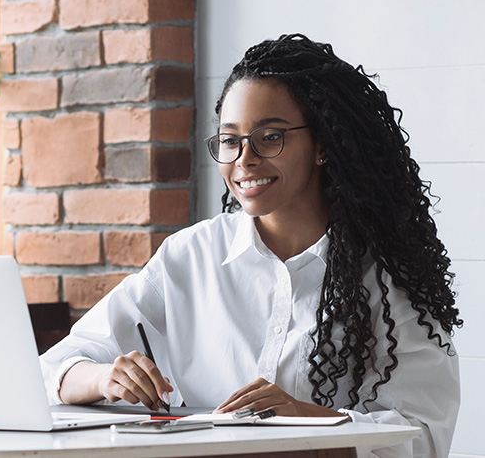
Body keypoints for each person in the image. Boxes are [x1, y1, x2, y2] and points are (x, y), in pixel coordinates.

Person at [39, 34, 463, 457]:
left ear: (323, 145)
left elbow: (423, 436)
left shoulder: (386, 277)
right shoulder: (190, 255)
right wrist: (104, 378)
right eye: (230, 140)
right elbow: (51, 369)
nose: (244, 158)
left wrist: (308, 422)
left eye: (270, 137)